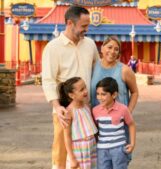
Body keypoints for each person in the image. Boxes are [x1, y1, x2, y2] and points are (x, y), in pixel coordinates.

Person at [42, 6, 99, 169]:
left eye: (87, 26)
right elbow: (48, 80)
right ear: (69, 23)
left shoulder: (90, 44)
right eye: (83, 26)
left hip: (87, 109)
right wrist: (57, 106)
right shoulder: (53, 47)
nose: (86, 30)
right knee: (61, 153)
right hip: (64, 111)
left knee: (88, 150)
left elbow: (97, 70)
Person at [92, 77, 136, 169]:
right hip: (102, 149)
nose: (100, 97)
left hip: (119, 149)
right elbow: (95, 130)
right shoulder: (95, 111)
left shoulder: (123, 109)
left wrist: (132, 144)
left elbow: (131, 124)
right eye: (98, 94)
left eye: (103, 94)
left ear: (114, 95)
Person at [58, 77, 98, 169]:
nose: (85, 91)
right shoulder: (69, 112)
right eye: (81, 90)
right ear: (72, 95)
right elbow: (67, 136)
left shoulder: (87, 106)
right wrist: (72, 158)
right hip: (79, 150)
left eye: (85, 88)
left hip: (91, 147)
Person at [90, 36, 138, 111]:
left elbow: (134, 92)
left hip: (119, 119)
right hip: (96, 118)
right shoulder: (93, 67)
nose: (112, 51)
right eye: (109, 47)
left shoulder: (125, 70)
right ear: (102, 48)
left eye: (116, 49)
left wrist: (129, 111)